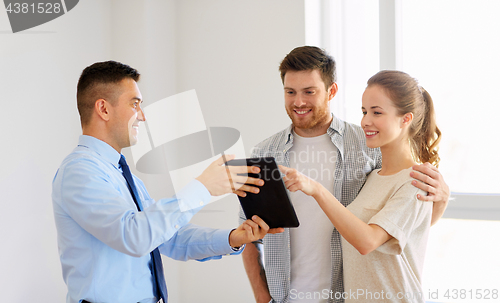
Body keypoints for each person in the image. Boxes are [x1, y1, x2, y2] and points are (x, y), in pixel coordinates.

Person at [52, 60, 283, 303]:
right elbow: (135, 236)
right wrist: (203, 187)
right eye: (135, 104)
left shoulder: (121, 174)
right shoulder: (79, 172)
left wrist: (234, 238)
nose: (142, 116)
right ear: (104, 109)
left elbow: (170, 237)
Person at [240, 46, 449, 303]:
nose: (299, 102)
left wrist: (441, 197)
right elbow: (248, 231)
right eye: (290, 92)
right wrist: (262, 297)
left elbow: (405, 223)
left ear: (332, 91)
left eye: (309, 91)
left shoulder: (367, 145)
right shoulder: (265, 153)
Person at [281, 70, 439, 303]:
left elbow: (367, 242)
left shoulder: (415, 182)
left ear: (406, 119)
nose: (366, 121)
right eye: (364, 111)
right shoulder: (373, 177)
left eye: (377, 112)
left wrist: (316, 189)